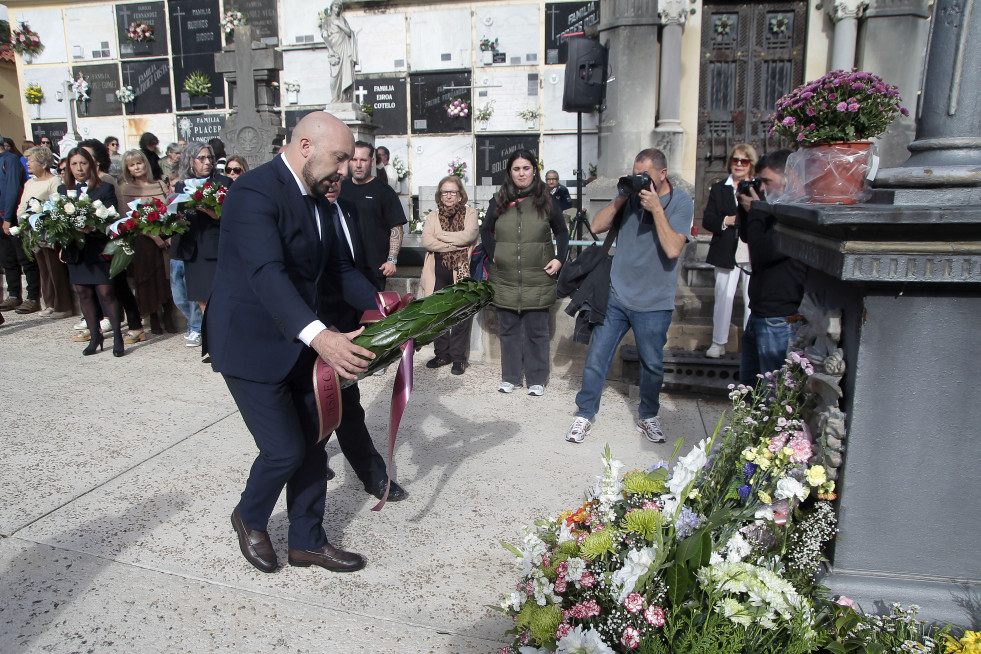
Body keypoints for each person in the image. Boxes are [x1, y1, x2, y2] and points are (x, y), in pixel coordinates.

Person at [203, 112, 379, 574]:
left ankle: (307, 543)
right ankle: (250, 515)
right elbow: (267, 274)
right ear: (305, 146)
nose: (344, 169)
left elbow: (339, 270)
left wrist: (383, 304)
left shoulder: (320, 198)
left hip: (299, 340)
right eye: (339, 158)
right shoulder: (253, 191)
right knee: (284, 449)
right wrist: (322, 336)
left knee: (315, 442)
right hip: (250, 344)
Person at [565, 148, 693, 444]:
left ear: (662, 175)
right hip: (617, 295)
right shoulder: (631, 199)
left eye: (645, 176)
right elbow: (596, 226)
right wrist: (623, 194)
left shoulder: (681, 202)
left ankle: (648, 416)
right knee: (597, 357)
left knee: (652, 364)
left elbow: (674, 249)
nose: (641, 181)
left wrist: (656, 210)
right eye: (637, 174)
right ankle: (584, 414)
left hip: (655, 302)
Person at [322, 177, 408, 501]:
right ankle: (317, 463)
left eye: (337, 176)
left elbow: (347, 269)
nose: (333, 183)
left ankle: (373, 477)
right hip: (313, 325)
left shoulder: (347, 209)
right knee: (318, 402)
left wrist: (381, 307)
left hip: (350, 317)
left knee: (346, 404)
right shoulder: (301, 212)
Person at [481, 150, 569, 396]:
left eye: (526, 168)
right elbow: (486, 231)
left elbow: (562, 232)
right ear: (510, 171)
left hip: (537, 275)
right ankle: (510, 377)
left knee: (536, 331)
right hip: (506, 275)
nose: (522, 173)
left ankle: (537, 379)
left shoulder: (547, 200)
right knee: (508, 330)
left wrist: (560, 258)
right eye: (517, 169)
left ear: (534, 170)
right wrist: (493, 254)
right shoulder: (498, 200)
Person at [736, 149, 805, 385]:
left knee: (772, 395)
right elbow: (748, 236)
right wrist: (745, 211)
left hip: (779, 317)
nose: (762, 189)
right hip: (760, 312)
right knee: (748, 393)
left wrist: (755, 210)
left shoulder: (795, 213)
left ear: (789, 178)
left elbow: (761, 251)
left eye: (767, 181)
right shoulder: (773, 207)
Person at [58, 147, 126, 357]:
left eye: (83, 163)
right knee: (84, 294)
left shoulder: (104, 188)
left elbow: (112, 217)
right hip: (76, 250)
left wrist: (92, 227)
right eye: (74, 164)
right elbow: (58, 221)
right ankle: (95, 336)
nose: (79, 168)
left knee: (106, 293)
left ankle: (117, 336)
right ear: (69, 167)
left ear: (92, 165)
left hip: (98, 248)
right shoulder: (63, 191)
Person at [171, 140, 233, 347]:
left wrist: (215, 214)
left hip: (214, 248)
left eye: (209, 158)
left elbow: (233, 216)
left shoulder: (223, 182)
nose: (207, 162)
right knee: (201, 299)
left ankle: (223, 340)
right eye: (202, 158)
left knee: (219, 299)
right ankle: (213, 342)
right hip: (192, 249)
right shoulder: (181, 185)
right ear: (190, 161)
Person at [702, 143, 757, 359]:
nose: (739, 165)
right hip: (725, 250)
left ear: (751, 164)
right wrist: (727, 220)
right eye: (736, 160)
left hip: (750, 250)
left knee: (752, 300)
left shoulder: (756, 188)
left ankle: (751, 344)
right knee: (723, 296)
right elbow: (708, 219)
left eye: (744, 161)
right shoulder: (718, 188)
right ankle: (718, 342)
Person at [421, 175, 480, 375]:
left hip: (461, 270)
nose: (448, 195)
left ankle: (458, 357)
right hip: (437, 273)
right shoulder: (432, 216)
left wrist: (441, 237)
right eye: (445, 191)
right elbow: (427, 242)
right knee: (438, 315)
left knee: (461, 314)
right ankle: (442, 354)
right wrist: (454, 243)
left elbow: (469, 236)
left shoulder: (470, 213)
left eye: (452, 191)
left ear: (460, 194)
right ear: (440, 194)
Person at [119, 149, 176, 338]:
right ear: (128, 168)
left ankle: (168, 316)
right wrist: (154, 237)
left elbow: (168, 210)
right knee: (148, 278)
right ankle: (153, 316)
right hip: (144, 241)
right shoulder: (127, 189)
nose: (137, 167)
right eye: (132, 165)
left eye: (139, 163)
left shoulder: (160, 185)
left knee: (166, 276)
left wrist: (165, 235)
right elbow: (129, 219)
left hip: (164, 237)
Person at [339, 141, 407, 291]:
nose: (358, 165)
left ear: (371, 162)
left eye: (362, 160)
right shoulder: (340, 189)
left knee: (372, 314)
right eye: (354, 160)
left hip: (374, 268)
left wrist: (392, 259)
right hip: (344, 268)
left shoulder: (384, 191)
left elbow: (396, 227)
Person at [16, 146, 73, 319]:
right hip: (30, 230)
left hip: (47, 229)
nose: (27, 163)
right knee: (43, 268)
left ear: (42, 163)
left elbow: (56, 203)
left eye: (30, 160)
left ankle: (62, 305)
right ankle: (49, 303)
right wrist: (21, 220)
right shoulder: (29, 182)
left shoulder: (53, 181)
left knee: (54, 267)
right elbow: (22, 203)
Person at [0, 132, 35, 313]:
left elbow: (12, 189)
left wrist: (7, 218)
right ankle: (14, 294)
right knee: (7, 258)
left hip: (11, 215)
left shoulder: (10, 159)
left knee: (24, 256)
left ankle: (33, 296)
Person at [320, 0, 358, 104]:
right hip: (335, 49)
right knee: (335, 75)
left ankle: (345, 98)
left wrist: (339, 24)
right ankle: (335, 98)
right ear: (332, 8)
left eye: (339, 8)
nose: (337, 10)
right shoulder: (327, 21)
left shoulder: (343, 20)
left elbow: (349, 33)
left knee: (346, 73)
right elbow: (324, 36)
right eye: (335, 7)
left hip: (344, 48)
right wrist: (331, 50)